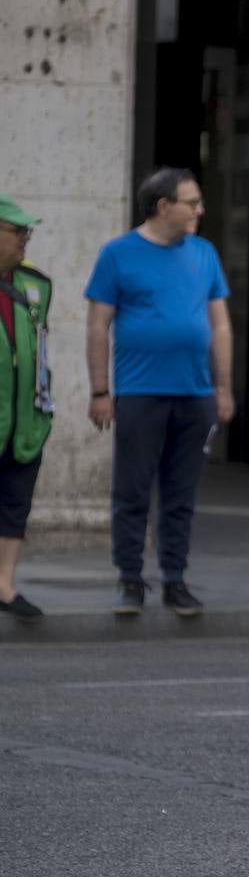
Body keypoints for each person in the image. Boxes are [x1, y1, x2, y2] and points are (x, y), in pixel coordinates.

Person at [85, 167, 234, 617]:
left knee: (181, 492)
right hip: (140, 391)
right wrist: (99, 390)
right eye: (192, 202)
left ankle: (175, 579)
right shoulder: (118, 254)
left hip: (194, 392)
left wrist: (223, 386)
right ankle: (130, 579)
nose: (200, 211)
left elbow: (220, 323)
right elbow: (97, 324)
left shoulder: (204, 253)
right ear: (163, 206)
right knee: (132, 489)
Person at [0, 195, 54, 624]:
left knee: (16, 503)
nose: (25, 240)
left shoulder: (35, 284)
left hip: (24, 418)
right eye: (18, 231)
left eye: (27, 232)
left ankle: (5, 584)